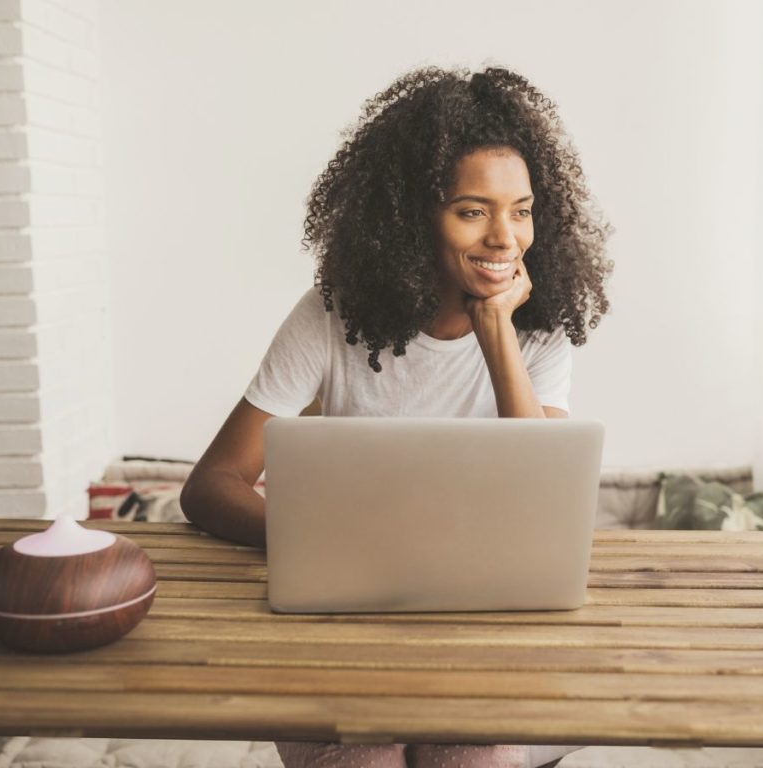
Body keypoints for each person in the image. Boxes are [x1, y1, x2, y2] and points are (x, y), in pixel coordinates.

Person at [180, 64, 612, 768]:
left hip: (479, 633)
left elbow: (539, 497)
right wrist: (324, 544)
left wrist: (496, 330)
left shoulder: (540, 331)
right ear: (414, 215)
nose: (505, 236)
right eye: (472, 209)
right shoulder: (330, 316)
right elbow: (211, 484)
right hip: (341, 625)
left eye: (522, 208)